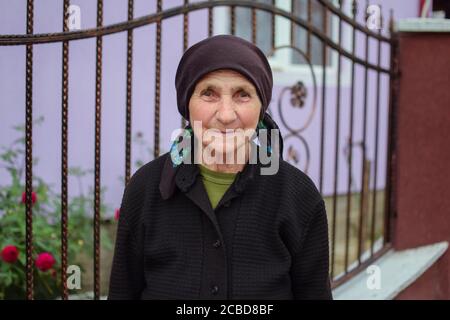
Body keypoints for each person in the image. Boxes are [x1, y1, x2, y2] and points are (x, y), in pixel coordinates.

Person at [108, 35, 332, 300]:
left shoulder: (297, 195)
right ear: (187, 104)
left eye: (243, 95)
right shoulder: (145, 188)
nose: (226, 115)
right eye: (208, 93)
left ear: (261, 108)